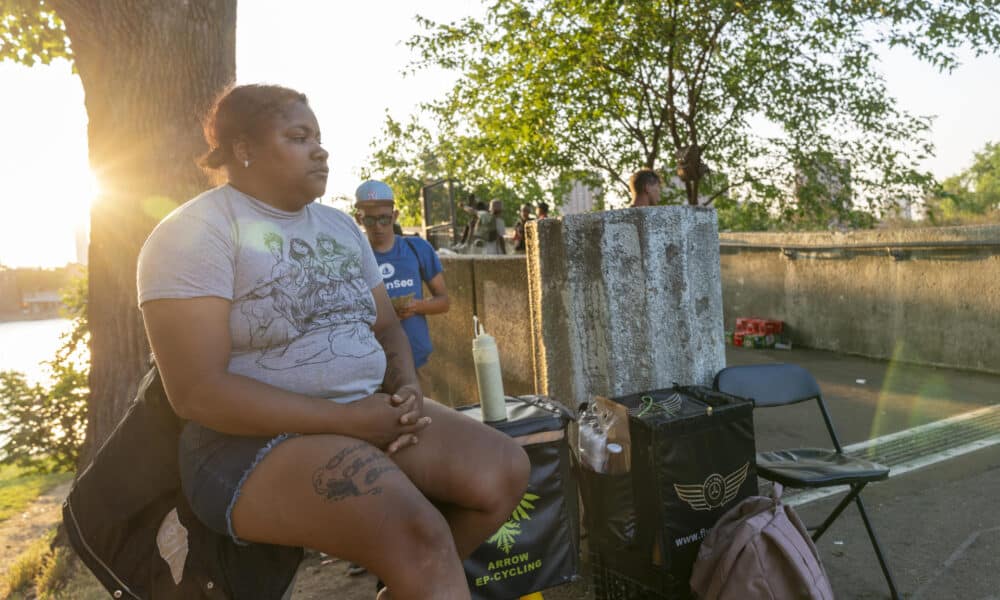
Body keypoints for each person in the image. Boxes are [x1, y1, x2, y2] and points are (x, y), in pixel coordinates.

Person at [136, 84, 529, 600]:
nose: (320, 150)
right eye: (299, 137)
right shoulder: (195, 232)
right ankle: (426, 571)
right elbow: (197, 392)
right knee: (419, 536)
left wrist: (407, 386)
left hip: (361, 413)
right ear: (243, 148)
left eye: (319, 138)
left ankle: (418, 584)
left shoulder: (340, 228)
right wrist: (350, 422)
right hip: (245, 445)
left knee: (503, 471)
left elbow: (386, 326)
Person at [354, 180, 450, 396]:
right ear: (359, 219)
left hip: (418, 363)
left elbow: (444, 302)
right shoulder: (353, 257)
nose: (378, 226)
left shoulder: (417, 249)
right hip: (372, 370)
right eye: (370, 220)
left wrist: (416, 306)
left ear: (395, 216)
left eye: (384, 219)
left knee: (428, 425)